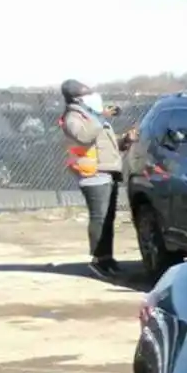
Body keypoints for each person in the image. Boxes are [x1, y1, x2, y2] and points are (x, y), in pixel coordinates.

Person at [57, 80, 125, 277]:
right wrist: (100, 115)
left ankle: (107, 258)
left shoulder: (91, 116)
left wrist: (124, 141)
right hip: (92, 173)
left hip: (107, 170)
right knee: (99, 217)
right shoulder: (73, 116)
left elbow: (103, 144)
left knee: (108, 218)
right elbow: (84, 136)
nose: (93, 96)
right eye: (87, 93)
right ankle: (98, 260)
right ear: (77, 98)